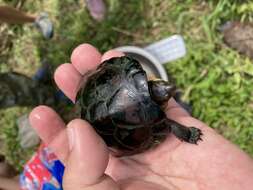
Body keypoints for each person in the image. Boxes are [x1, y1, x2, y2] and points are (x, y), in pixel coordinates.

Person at [2, 44, 253, 190]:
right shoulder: (158, 117)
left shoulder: (135, 78)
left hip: (102, 109)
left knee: (165, 124)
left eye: (162, 91)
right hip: (110, 128)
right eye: (162, 91)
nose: (166, 89)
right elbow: (166, 124)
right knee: (166, 125)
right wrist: (189, 134)